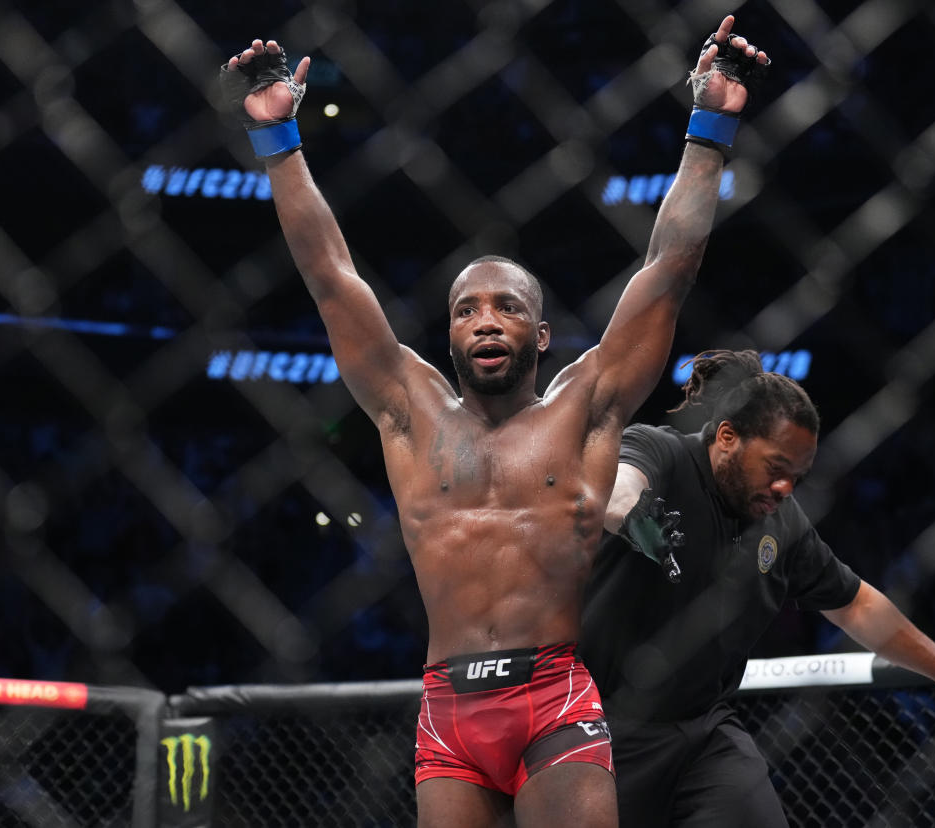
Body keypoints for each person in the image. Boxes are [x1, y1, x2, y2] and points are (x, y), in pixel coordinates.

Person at [218, 16, 770, 827]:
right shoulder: (409, 412)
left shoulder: (587, 408)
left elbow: (668, 269)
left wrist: (711, 124)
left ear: (539, 336)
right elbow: (331, 278)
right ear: (446, 334)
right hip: (447, 710)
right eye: (467, 309)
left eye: (507, 307)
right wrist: (278, 140)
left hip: (553, 697)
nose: (485, 320)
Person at [580, 348, 935, 827]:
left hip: (702, 730)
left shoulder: (783, 525)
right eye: (776, 467)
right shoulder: (665, 452)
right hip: (602, 725)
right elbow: (618, 481)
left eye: (797, 477)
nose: (786, 487)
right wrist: (634, 515)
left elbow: (857, 605)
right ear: (727, 437)